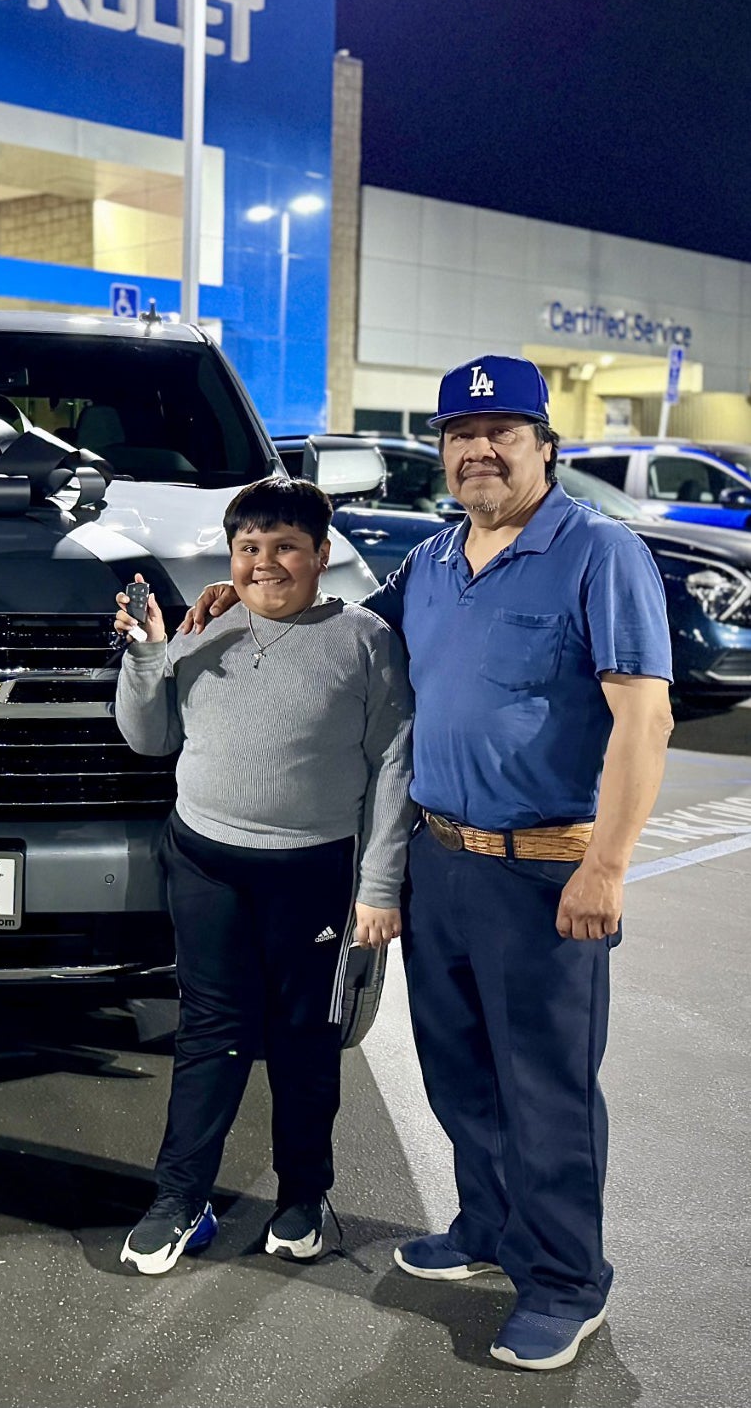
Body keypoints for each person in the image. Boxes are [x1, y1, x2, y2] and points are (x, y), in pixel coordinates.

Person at [180, 356, 673, 1370]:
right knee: (457, 1070)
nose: (478, 450)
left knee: (545, 1089)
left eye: (501, 431)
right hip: (437, 861)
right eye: (460, 434)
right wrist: (254, 591)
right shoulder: (436, 560)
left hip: (544, 870)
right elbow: (348, 636)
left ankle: (565, 1280)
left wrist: (607, 866)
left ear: (544, 447)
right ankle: (486, 1225)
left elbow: (644, 720)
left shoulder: (597, 552)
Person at [114, 477, 414, 1276]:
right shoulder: (204, 625)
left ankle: (302, 1195)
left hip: (313, 869)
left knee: (303, 1037)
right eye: (248, 547)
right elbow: (148, 737)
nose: (265, 562)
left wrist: (379, 884)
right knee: (208, 1030)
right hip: (204, 859)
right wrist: (145, 653)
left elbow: (393, 763)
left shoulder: (363, 639)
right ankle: (179, 1199)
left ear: (320, 554)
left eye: (285, 546)